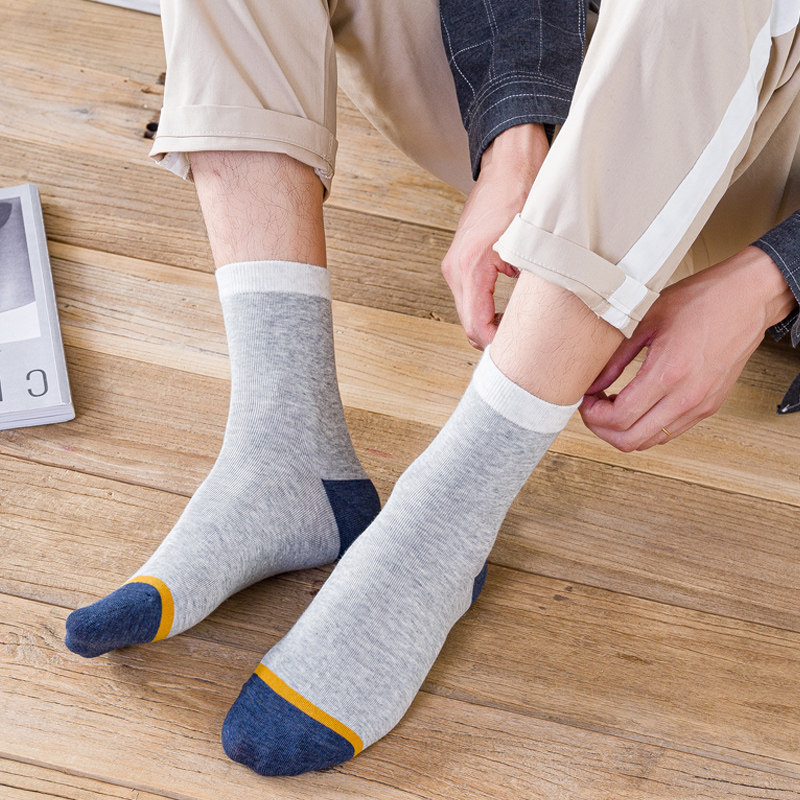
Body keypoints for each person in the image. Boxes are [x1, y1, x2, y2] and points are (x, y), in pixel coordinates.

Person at [64, 0, 800, 778]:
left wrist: (771, 280)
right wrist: (517, 127)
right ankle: (283, 441)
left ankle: (444, 519)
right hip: (568, 73)